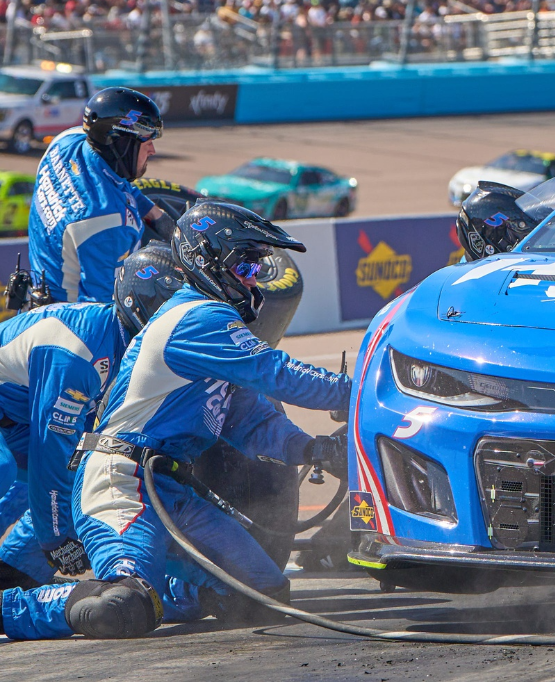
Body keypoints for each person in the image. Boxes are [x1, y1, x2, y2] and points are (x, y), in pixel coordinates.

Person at [0, 201, 350, 640]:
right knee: (121, 606)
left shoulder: (217, 329)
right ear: (208, 260)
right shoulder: (200, 316)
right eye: (246, 264)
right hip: (121, 482)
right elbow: (279, 375)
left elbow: (255, 425)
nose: (254, 279)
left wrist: (315, 450)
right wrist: (358, 392)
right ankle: (21, 605)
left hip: (169, 489)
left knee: (264, 597)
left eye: (257, 268)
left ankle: (150, 592)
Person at [0, 243, 184, 590]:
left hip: (13, 412)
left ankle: (14, 573)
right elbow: (51, 450)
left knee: (81, 472)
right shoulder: (81, 356)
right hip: (16, 416)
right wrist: (56, 540)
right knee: (8, 468)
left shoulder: (117, 337)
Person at [27, 87, 177, 304]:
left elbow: (114, 181)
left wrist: (154, 214)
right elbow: (107, 312)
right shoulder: (109, 223)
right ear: (121, 143)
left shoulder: (67, 140)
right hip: (66, 320)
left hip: (36, 286)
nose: (153, 150)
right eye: (147, 141)